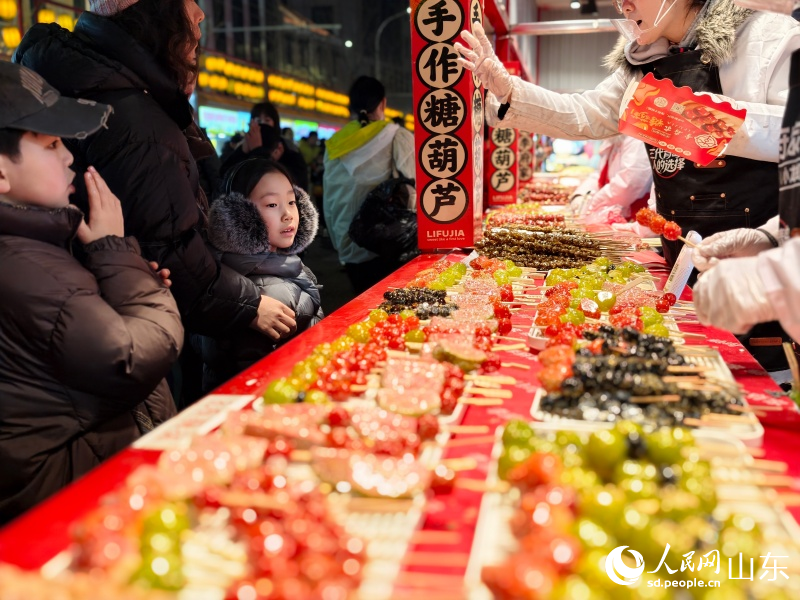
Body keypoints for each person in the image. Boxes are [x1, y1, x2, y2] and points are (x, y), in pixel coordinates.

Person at [455, 0, 800, 374]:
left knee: (756, 381)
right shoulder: (644, 59)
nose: (623, 5)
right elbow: (586, 113)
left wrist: (702, 121)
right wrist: (508, 89)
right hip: (680, 266)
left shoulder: (766, 36)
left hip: (762, 273)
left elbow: (791, 131)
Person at [14, 0, 296, 406]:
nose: (200, 14)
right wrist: (249, 304)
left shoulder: (80, 84)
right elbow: (169, 255)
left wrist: (123, 264)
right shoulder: (136, 119)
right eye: (51, 145)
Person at [0, 62, 184, 523]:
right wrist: (116, 254)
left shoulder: (37, 248)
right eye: (51, 144)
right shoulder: (25, 265)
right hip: (71, 501)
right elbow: (129, 357)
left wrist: (125, 276)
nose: (68, 157)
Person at [200, 159, 323, 393]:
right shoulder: (258, 294)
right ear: (239, 216)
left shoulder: (283, 264)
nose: (288, 214)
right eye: (272, 204)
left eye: (291, 202)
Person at [323, 75, 415, 294]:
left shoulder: (335, 144)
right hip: (387, 244)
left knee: (361, 303)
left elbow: (329, 202)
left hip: (349, 244)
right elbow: (415, 189)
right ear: (382, 103)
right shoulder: (397, 136)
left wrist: (340, 242)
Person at [570, 134, 653, 225]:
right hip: (615, 214)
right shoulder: (614, 136)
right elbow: (600, 174)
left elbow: (628, 185)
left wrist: (590, 205)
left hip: (635, 217)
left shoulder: (637, 139)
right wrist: (580, 195)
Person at [220, 123, 310, 192]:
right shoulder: (245, 155)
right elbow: (223, 178)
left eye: (267, 119)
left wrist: (258, 152)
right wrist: (243, 150)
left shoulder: (293, 161)